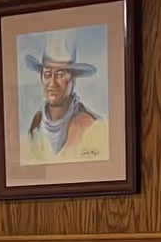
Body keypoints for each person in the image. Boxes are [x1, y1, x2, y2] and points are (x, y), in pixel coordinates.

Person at [22, 32, 110, 164]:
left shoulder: (93, 127)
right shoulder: (34, 127)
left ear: (73, 80)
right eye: (47, 74)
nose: (52, 83)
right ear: (41, 78)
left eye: (60, 74)